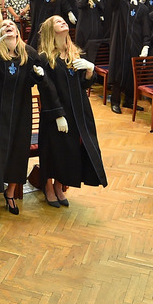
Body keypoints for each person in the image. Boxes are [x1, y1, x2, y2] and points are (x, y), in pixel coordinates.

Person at [34, 14, 107, 206]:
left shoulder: (75, 54)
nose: (63, 22)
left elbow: (83, 85)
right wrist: (58, 114)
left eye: (63, 20)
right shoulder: (45, 58)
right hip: (56, 112)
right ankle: (48, 186)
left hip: (78, 111)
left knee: (71, 151)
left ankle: (59, 185)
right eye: (57, 21)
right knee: (54, 151)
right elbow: (47, 89)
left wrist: (90, 70)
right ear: (50, 30)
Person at [0, 20, 50, 218]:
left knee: (19, 150)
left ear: (18, 31)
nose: (8, 26)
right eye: (4, 25)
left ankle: (10, 193)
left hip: (21, 108)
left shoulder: (28, 53)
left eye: (11, 24)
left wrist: (39, 76)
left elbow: (36, 79)